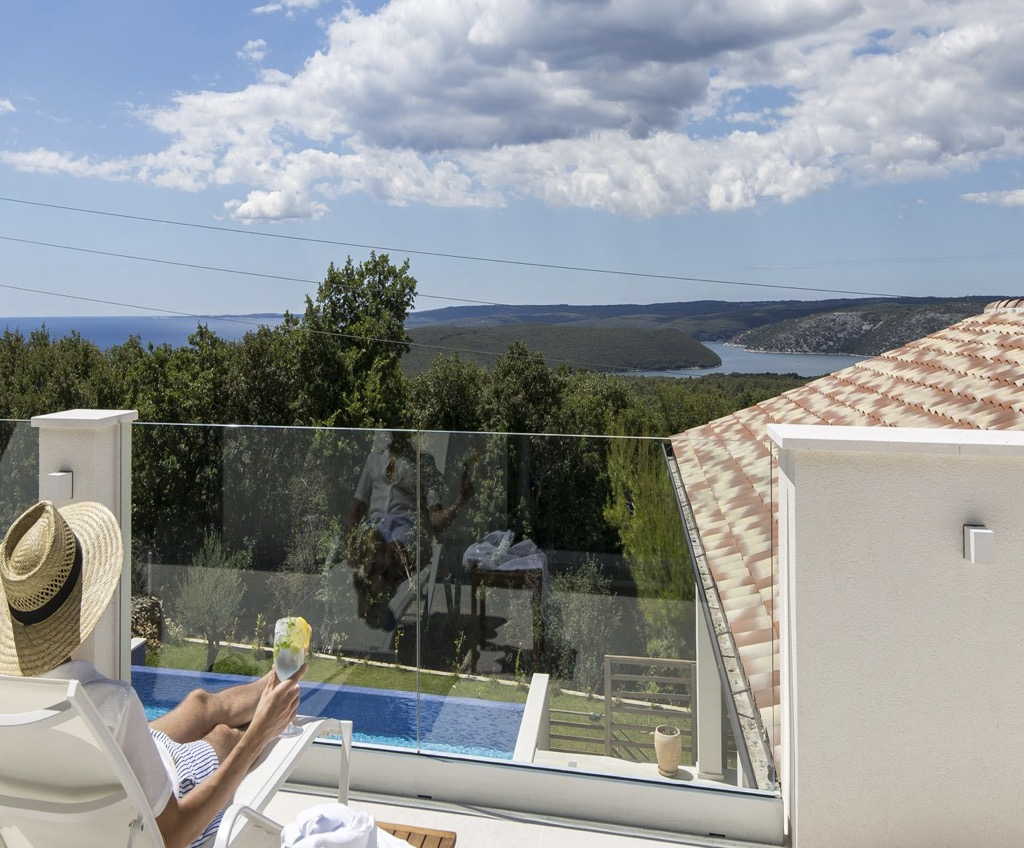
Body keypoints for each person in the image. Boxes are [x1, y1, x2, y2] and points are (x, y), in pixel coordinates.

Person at [0, 500, 305, 848]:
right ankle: (275, 700)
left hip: (116, 781)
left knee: (201, 702)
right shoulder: (112, 705)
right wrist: (258, 736)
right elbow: (171, 835)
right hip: (151, 816)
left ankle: (272, 684)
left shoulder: (14, 705)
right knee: (224, 735)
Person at [345, 431, 473, 628]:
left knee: (394, 551)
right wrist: (350, 545)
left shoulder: (424, 464)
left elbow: (435, 521)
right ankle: (378, 592)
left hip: (408, 524)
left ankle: (373, 594)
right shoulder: (373, 460)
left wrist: (461, 500)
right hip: (375, 523)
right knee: (373, 541)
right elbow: (357, 506)